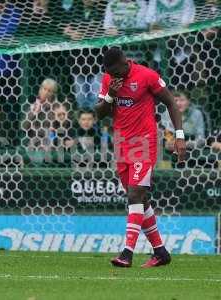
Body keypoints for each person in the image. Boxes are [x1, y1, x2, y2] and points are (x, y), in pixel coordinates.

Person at [95, 47, 186, 268]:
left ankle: (127, 253)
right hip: (121, 144)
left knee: (135, 194)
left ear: (125, 62)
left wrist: (179, 136)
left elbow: (171, 103)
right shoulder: (109, 79)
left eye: (115, 71)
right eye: (110, 73)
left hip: (144, 142)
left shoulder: (147, 76)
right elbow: (99, 114)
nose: (113, 76)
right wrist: (110, 95)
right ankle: (161, 252)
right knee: (140, 200)